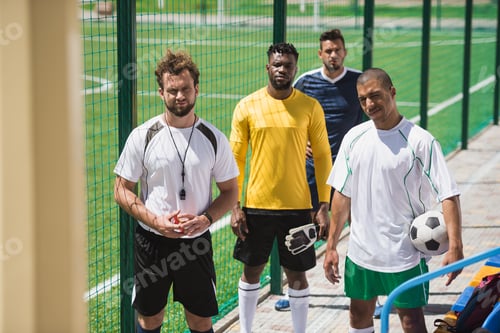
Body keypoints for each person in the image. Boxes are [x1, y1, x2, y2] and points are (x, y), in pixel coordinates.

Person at [323, 68, 464, 333]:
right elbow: (342, 194)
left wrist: (455, 245)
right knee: (358, 317)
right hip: (361, 253)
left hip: (403, 255)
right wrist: (331, 246)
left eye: (375, 96)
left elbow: (448, 194)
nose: (369, 104)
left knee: (411, 322)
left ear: (392, 92)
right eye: (363, 98)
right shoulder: (354, 138)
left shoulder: (420, 141)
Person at [113, 49, 239, 333]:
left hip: (196, 244)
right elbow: (121, 190)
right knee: (150, 319)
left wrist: (205, 219)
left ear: (197, 89)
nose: (180, 96)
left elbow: (230, 191)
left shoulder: (213, 138)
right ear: (161, 93)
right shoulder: (143, 136)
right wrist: (156, 221)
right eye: (172, 90)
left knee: (200, 319)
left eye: (185, 89)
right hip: (152, 242)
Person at [229, 43, 332, 333]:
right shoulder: (247, 106)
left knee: (297, 277)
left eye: (287, 65)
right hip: (256, 206)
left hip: (297, 208)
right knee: (251, 274)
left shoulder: (309, 107)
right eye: (277, 64)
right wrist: (235, 206)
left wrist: (323, 205)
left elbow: (323, 156)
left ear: (295, 68)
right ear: (267, 67)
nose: (282, 69)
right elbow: (234, 159)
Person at [275, 28, 364, 312]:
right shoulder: (305, 82)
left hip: (349, 172)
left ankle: (365, 295)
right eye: (328, 50)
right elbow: (287, 119)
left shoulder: (358, 82)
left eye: (338, 49)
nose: (333, 54)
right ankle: (296, 292)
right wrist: (300, 145)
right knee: (301, 231)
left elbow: (370, 121)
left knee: (361, 231)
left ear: (344, 52)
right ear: (320, 54)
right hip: (312, 172)